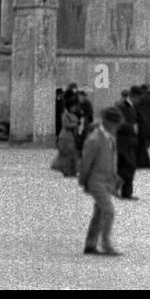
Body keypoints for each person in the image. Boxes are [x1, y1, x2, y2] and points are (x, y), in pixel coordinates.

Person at [78, 107, 122, 256]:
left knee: (99, 213)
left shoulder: (109, 138)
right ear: (107, 123)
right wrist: (83, 181)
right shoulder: (95, 139)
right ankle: (106, 244)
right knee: (108, 211)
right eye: (115, 124)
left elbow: (110, 161)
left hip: (106, 181)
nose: (116, 127)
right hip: (95, 181)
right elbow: (85, 163)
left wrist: (115, 177)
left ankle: (90, 245)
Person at [116, 90, 139, 199]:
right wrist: (131, 127)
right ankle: (122, 190)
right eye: (138, 98)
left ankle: (126, 193)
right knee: (128, 166)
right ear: (133, 97)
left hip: (130, 142)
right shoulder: (121, 107)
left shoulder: (132, 107)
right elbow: (119, 123)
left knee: (129, 166)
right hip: (122, 142)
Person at [51, 102, 80, 177]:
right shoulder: (65, 115)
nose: (75, 108)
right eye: (73, 107)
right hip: (65, 137)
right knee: (66, 155)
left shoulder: (74, 115)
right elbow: (66, 125)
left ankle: (73, 171)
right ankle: (66, 171)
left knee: (73, 155)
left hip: (72, 137)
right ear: (69, 107)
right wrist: (76, 124)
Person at [133, 86, 150, 170]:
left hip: (141, 123)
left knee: (141, 141)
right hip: (147, 123)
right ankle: (142, 159)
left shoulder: (139, 100)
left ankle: (141, 160)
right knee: (145, 141)